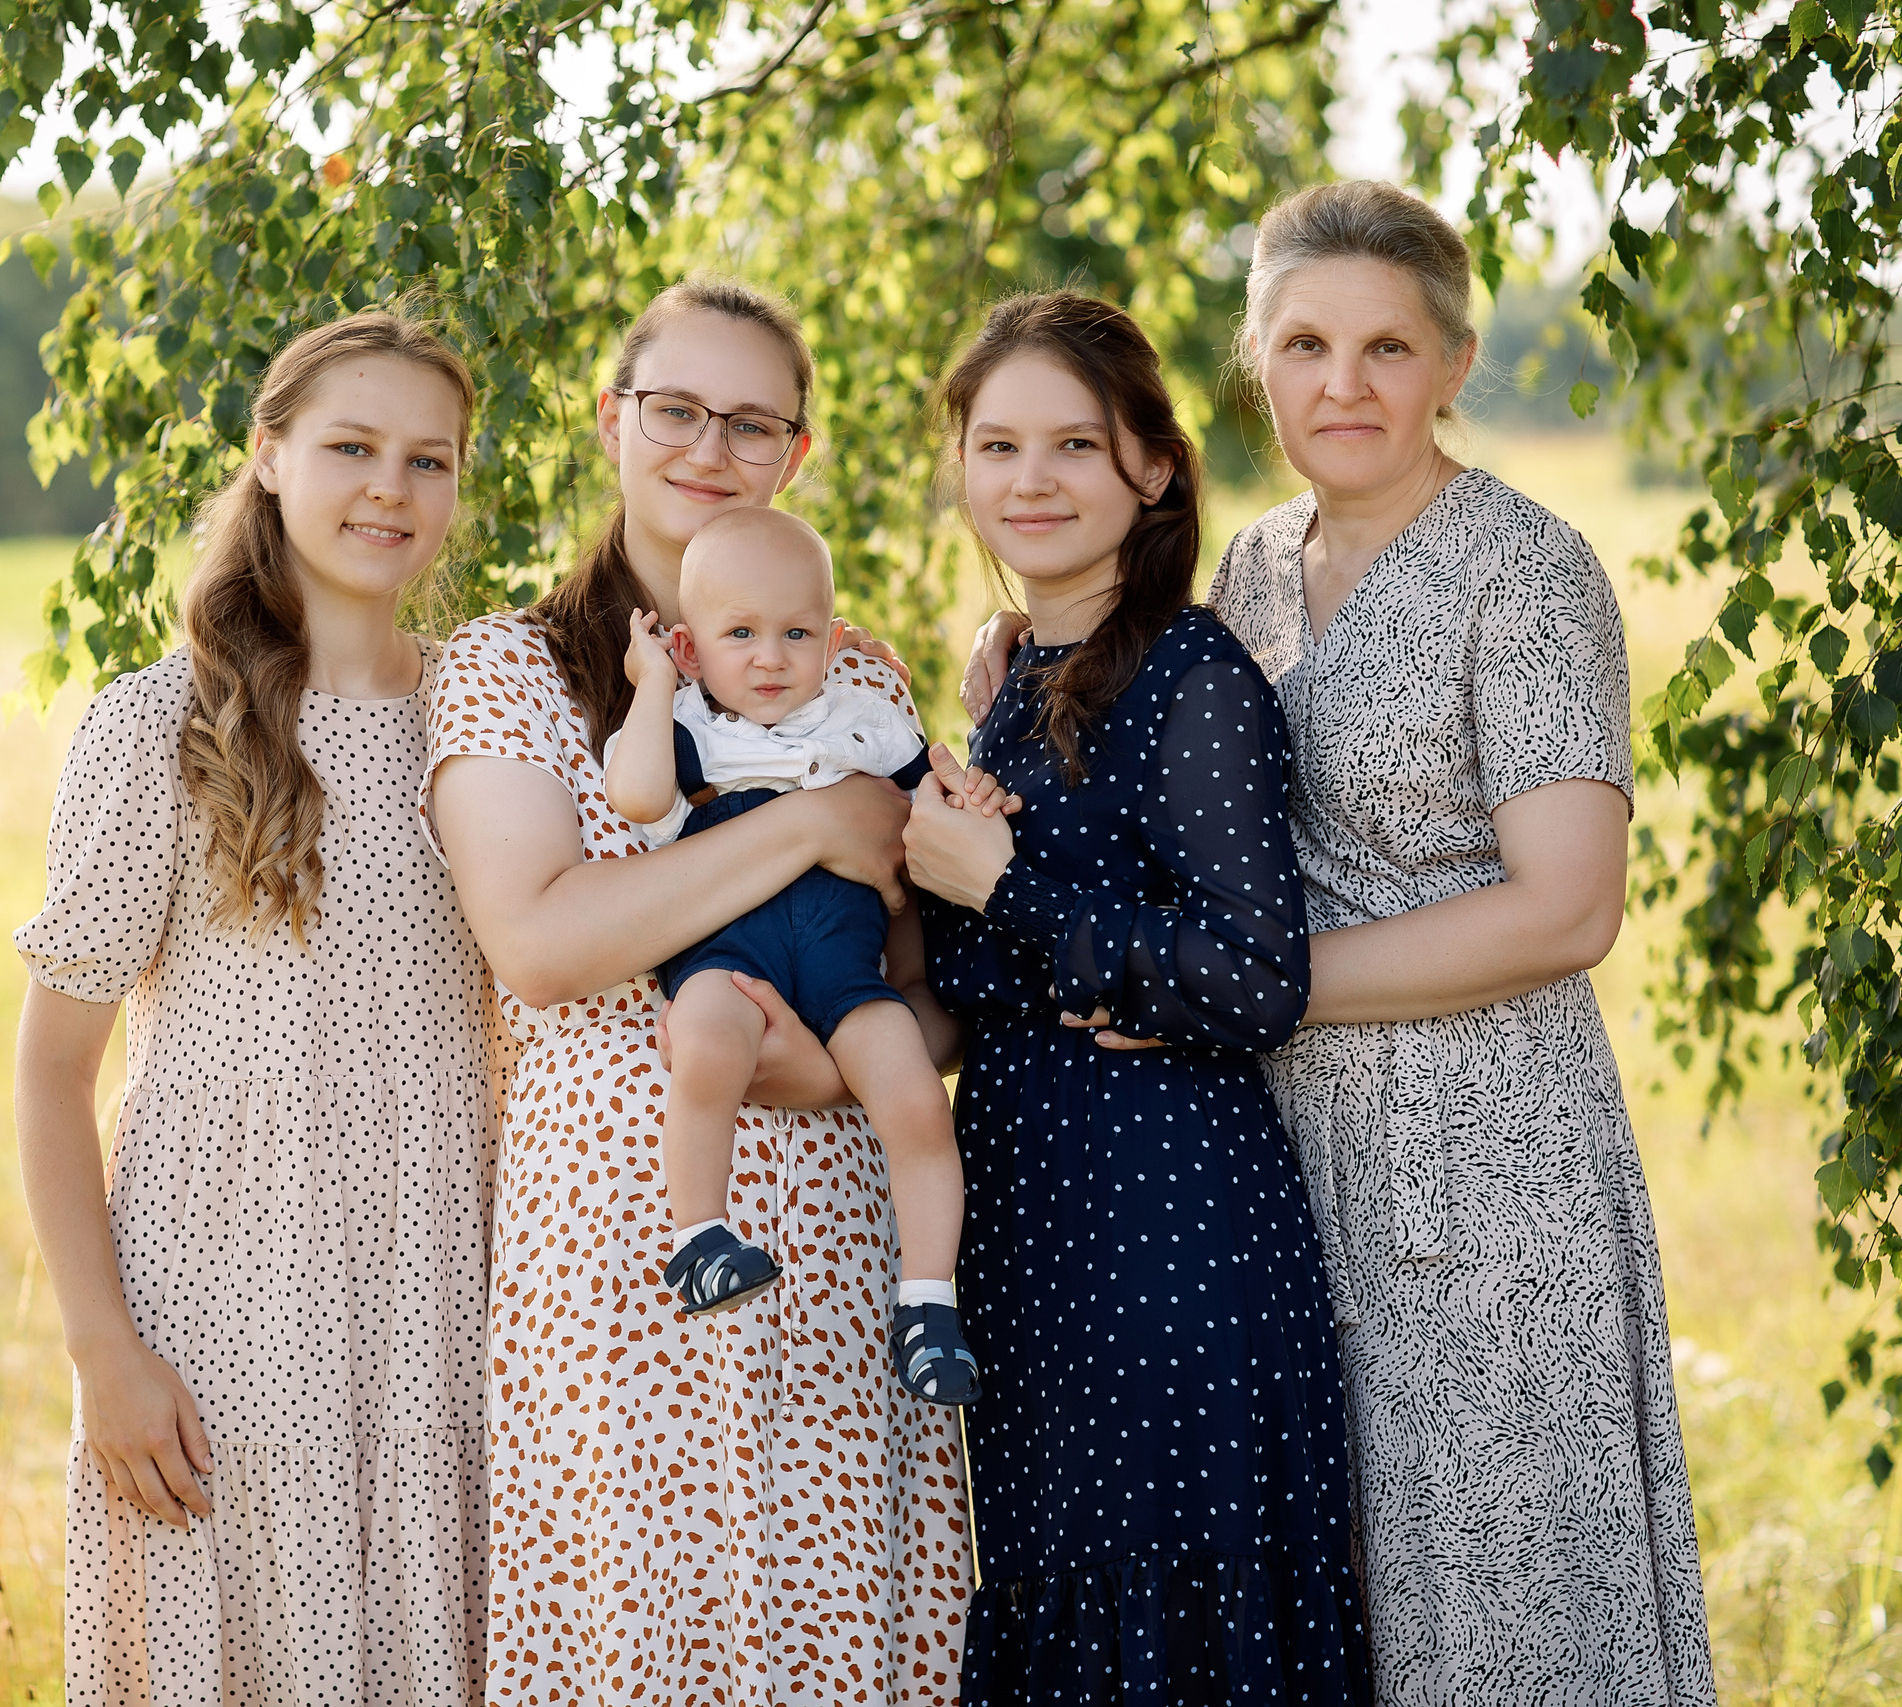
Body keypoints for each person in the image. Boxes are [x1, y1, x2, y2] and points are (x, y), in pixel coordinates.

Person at [962, 183, 1716, 1705]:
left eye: (1387, 346)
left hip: (1487, 1152)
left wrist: (1252, 995)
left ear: (1453, 360)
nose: (1344, 384)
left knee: (1499, 1600)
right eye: (1306, 343)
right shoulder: (1248, 567)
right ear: (1260, 362)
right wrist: (1023, 684)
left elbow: (1569, 906)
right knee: (1335, 1598)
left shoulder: (1525, 566)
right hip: (1276, 1152)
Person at [424, 276, 971, 1705]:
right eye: (674, 409)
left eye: (750, 422)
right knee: (647, 1643)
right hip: (625, 1256)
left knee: (837, 1639)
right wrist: (802, 824)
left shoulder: (852, 682)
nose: (705, 447)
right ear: (613, 420)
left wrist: (846, 1063)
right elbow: (543, 943)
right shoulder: (515, 668)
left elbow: (934, 988)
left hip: (848, 1258)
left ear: (797, 455)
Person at [13, 311, 496, 1704]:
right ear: (270, 455)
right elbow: (52, 1074)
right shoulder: (159, 726)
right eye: (352, 446)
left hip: (438, 1321)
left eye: (429, 460)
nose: (390, 490)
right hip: (216, 1324)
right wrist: (105, 1351)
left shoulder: (487, 721)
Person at [904, 290, 1371, 1703]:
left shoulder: (1191, 670)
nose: (1029, 481)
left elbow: (1255, 974)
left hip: (1168, 1240)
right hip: (1039, 1240)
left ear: (1150, 469)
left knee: (1170, 1630)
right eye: (997, 447)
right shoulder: (1019, 673)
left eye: (1071, 445)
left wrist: (1006, 888)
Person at [600, 505, 981, 1403]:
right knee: (702, 1042)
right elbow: (637, 794)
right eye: (740, 634)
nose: (770, 657)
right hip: (728, 956)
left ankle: (928, 1304)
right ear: (691, 649)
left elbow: (926, 791)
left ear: (832, 637)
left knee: (917, 1100)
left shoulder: (864, 717)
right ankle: (698, 1237)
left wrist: (958, 783)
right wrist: (652, 684)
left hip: (844, 967)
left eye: (796, 632)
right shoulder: (688, 724)